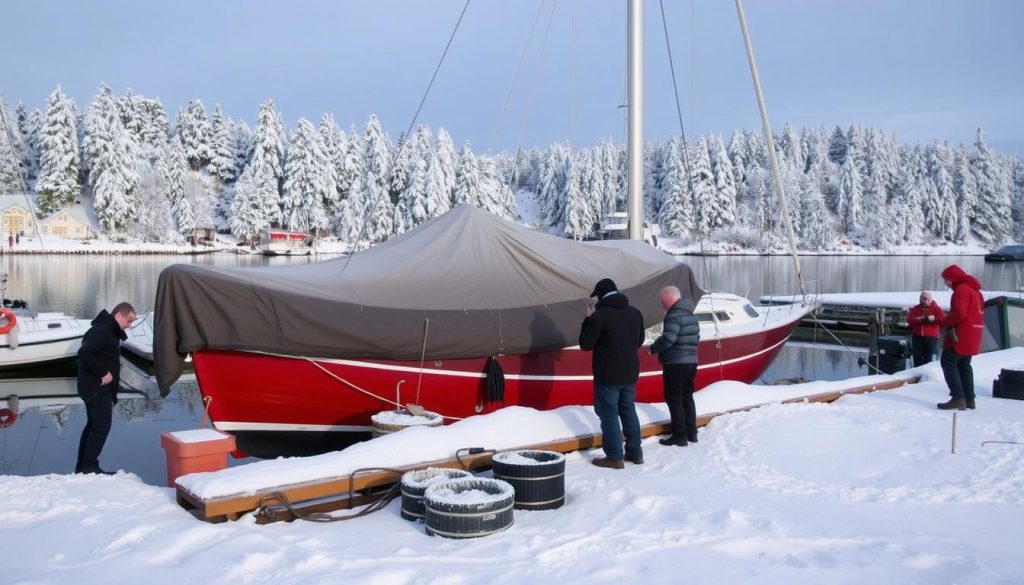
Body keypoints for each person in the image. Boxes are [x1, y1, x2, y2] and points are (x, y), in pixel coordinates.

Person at [579, 278, 646, 469]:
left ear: (600, 296)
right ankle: (635, 452)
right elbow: (639, 341)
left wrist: (588, 319)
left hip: (607, 374)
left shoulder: (600, 316)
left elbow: (586, 344)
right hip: (631, 372)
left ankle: (615, 456)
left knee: (609, 413)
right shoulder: (635, 313)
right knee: (628, 410)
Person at [75, 302, 136, 474]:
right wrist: (103, 373)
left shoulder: (108, 330)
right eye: (129, 321)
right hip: (96, 388)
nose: (129, 326)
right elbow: (85, 353)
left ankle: (83, 466)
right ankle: (89, 467)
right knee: (101, 427)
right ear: (119, 315)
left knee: (93, 426)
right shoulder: (102, 330)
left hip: (96, 388)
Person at [648, 286, 700, 446]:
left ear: (669, 299)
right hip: (692, 361)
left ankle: (679, 436)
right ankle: (691, 433)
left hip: (676, 363)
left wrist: (652, 348)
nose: (661, 304)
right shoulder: (690, 315)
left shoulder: (673, 316)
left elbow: (668, 339)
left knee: (674, 398)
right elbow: (696, 337)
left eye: (662, 301)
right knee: (687, 397)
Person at [936, 265, 984, 411]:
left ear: (952, 278)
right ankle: (969, 399)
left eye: (947, 280)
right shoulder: (975, 291)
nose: (946, 284)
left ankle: (958, 397)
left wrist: (943, 322)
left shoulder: (962, 289)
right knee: (964, 364)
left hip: (962, 333)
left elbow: (959, 313)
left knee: (948, 360)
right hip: (974, 332)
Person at [907, 291, 945, 366]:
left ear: (930, 299)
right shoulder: (915, 309)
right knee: (917, 357)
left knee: (928, 358)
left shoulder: (936, 309)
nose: (923, 300)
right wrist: (920, 320)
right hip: (917, 336)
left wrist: (933, 320)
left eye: (925, 298)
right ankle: (917, 374)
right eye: (921, 298)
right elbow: (909, 320)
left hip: (931, 337)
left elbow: (943, 320)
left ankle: (927, 375)